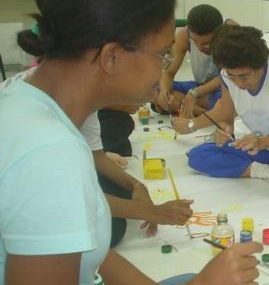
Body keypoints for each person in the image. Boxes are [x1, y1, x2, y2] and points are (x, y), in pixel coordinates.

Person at [0, 0, 262, 285]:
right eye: (161, 54)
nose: (164, 68)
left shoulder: (24, 95)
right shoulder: (50, 155)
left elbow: (89, 256)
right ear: (111, 56)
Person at [0, 69, 193, 247]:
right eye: (160, 55)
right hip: (22, 211)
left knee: (120, 198)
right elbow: (65, 197)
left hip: (46, 193)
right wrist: (152, 212)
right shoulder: (35, 118)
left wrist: (135, 185)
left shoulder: (82, 92)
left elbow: (96, 155)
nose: (160, 72)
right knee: (108, 230)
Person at [172, 25, 269, 203]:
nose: (239, 83)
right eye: (232, 76)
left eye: (244, 76)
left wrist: (262, 142)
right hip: (267, 145)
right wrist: (223, 131)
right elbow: (227, 120)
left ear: (261, 65)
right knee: (198, 156)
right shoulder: (227, 77)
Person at [155, 4, 237, 116]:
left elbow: (229, 75)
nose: (199, 47)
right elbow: (168, 73)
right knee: (154, 88)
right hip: (200, 85)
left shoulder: (232, 32)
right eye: (194, 41)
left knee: (227, 101)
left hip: (225, 88)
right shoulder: (184, 34)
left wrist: (195, 93)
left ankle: (183, 107)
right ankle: (205, 114)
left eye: (206, 43)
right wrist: (164, 92)